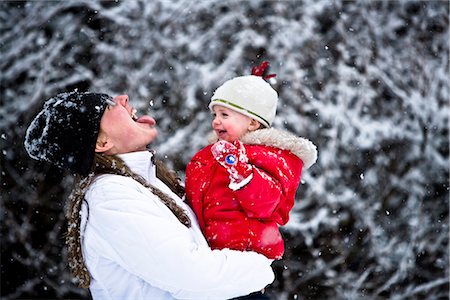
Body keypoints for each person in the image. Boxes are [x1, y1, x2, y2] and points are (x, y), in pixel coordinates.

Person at [24, 91, 275, 299]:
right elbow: (191, 275)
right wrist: (259, 268)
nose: (122, 98)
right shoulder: (111, 199)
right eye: (108, 106)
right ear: (102, 143)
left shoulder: (145, 183)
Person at [185, 62, 318, 263]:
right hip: (210, 251)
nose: (215, 121)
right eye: (215, 114)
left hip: (245, 255)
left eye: (224, 115)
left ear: (252, 123)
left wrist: (241, 172)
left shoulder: (270, 157)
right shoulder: (209, 156)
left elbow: (267, 203)